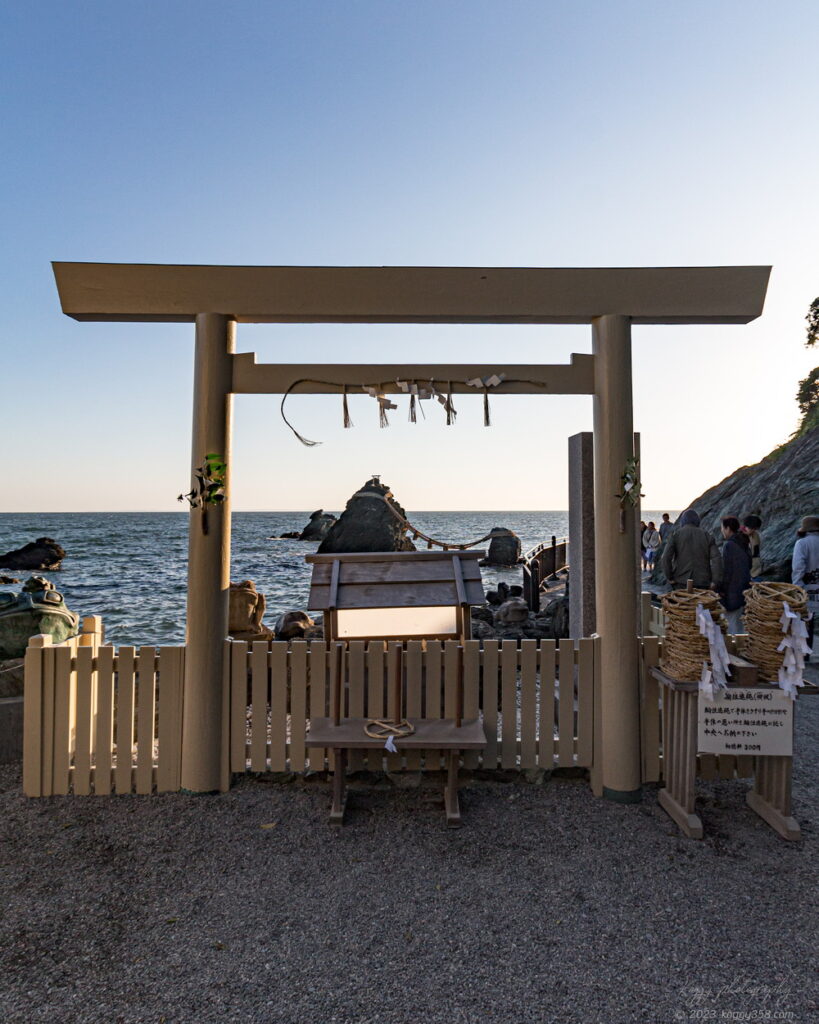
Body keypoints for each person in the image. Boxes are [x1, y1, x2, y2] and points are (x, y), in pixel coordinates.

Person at [661, 508, 722, 591]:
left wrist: (669, 577)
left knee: (681, 603)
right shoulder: (706, 535)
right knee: (701, 603)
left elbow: (666, 557)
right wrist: (715, 581)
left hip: (681, 581)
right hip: (702, 581)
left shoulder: (676, 535)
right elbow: (716, 559)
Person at [718, 516, 751, 634]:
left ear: (727, 528)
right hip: (744, 587)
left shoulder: (729, 545)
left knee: (730, 625)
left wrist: (721, 589)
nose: (721, 531)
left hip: (732, 590)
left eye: (722, 528)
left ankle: (732, 651)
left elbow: (727, 570)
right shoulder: (744, 541)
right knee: (740, 624)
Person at [792, 515, 819, 658]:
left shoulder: (802, 543)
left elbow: (798, 568)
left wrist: (797, 588)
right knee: (811, 621)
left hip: (806, 589)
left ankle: (803, 654)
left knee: (804, 622)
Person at [741, 514, 763, 578]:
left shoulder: (755, 535)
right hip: (745, 573)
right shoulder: (739, 536)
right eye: (751, 528)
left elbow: (756, 553)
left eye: (755, 529)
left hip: (756, 572)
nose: (753, 530)